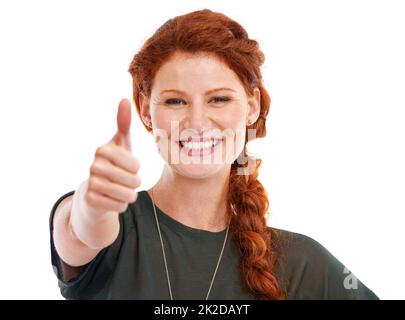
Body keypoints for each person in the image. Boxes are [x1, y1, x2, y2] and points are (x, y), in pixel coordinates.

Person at [49, 9, 379, 300]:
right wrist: (91, 205)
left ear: (251, 107)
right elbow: (78, 229)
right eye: (175, 101)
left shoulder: (302, 264)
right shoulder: (118, 230)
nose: (196, 123)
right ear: (145, 111)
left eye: (218, 99)